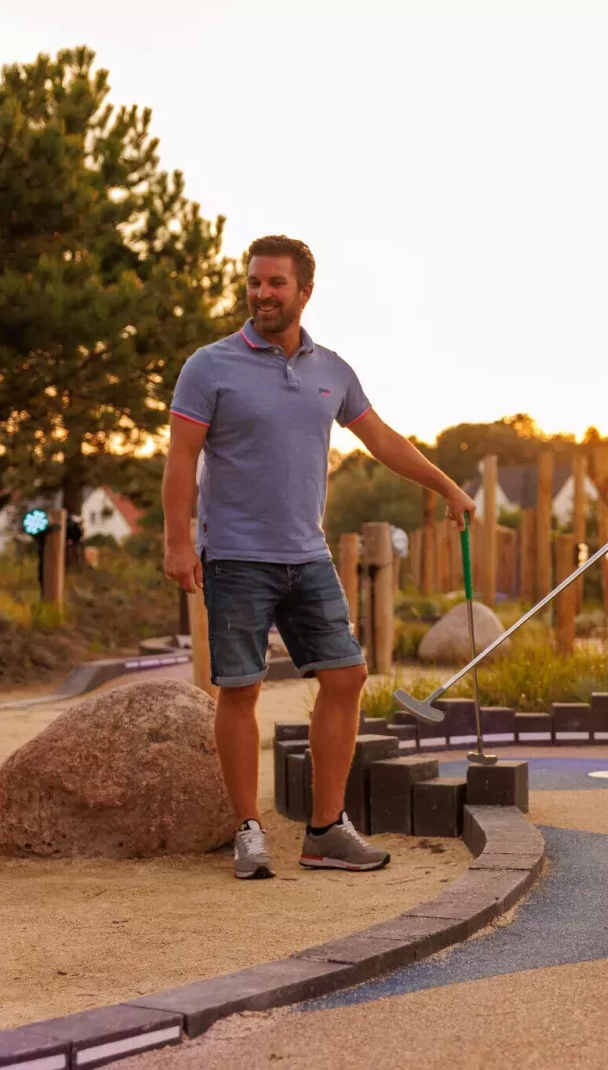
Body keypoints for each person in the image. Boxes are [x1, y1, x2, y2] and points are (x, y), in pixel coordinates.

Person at [163, 235, 473, 880]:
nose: (261, 293)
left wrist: (445, 485)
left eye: (276, 283)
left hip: (308, 554)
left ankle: (326, 830)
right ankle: (248, 830)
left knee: (347, 677)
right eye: (254, 281)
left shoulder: (331, 369)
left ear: (305, 291)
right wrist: (175, 541)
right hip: (234, 556)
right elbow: (181, 459)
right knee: (240, 689)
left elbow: (381, 438)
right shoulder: (209, 366)